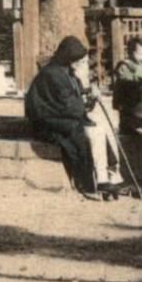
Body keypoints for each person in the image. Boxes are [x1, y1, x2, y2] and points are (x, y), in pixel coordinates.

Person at [24, 35, 124, 197]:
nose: (80, 63)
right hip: (49, 123)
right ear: (68, 57)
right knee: (91, 132)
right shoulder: (52, 74)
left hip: (62, 118)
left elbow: (73, 100)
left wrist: (89, 96)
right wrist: (89, 100)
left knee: (100, 129)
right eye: (78, 59)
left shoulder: (67, 73)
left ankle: (107, 176)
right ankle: (96, 180)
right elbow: (67, 104)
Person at [112, 37, 142, 136]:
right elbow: (124, 78)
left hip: (139, 99)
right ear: (131, 53)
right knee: (128, 121)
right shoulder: (125, 65)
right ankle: (127, 134)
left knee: (139, 119)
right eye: (140, 53)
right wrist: (138, 79)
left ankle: (136, 132)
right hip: (127, 99)